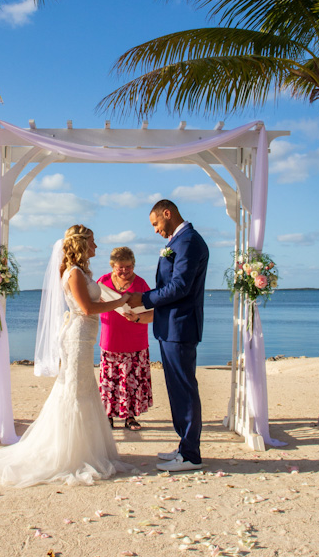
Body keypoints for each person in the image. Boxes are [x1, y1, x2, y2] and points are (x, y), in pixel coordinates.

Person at [0, 225, 130, 487]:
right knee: (75, 389)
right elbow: (87, 308)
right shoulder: (74, 273)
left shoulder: (83, 271)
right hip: (77, 335)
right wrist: (120, 302)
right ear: (82, 244)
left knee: (83, 387)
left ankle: (86, 448)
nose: (96, 247)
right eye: (93, 242)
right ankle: (69, 452)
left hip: (85, 336)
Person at [126, 200, 209, 472]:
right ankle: (185, 447)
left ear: (167, 213)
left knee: (184, 389)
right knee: (177, 389)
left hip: (181, 327)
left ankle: (191, 456)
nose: (155, 230)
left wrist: (144, 297)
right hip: (170, 326)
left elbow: (180, 287)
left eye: (155, 224)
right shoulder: (179, 241)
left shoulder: (188, 242)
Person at [98, 247, 154, 430]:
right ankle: (108, 416)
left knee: (132, 382)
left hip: (135, 341)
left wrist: (137, 317)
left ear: (134, 265)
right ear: (112, 266)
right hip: (110, 340)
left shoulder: (141, 284)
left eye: (128, 267)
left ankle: (130, 417)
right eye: (120, 267)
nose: (124, 271)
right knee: (109, 381)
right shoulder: (103, 282)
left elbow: (154, 313)